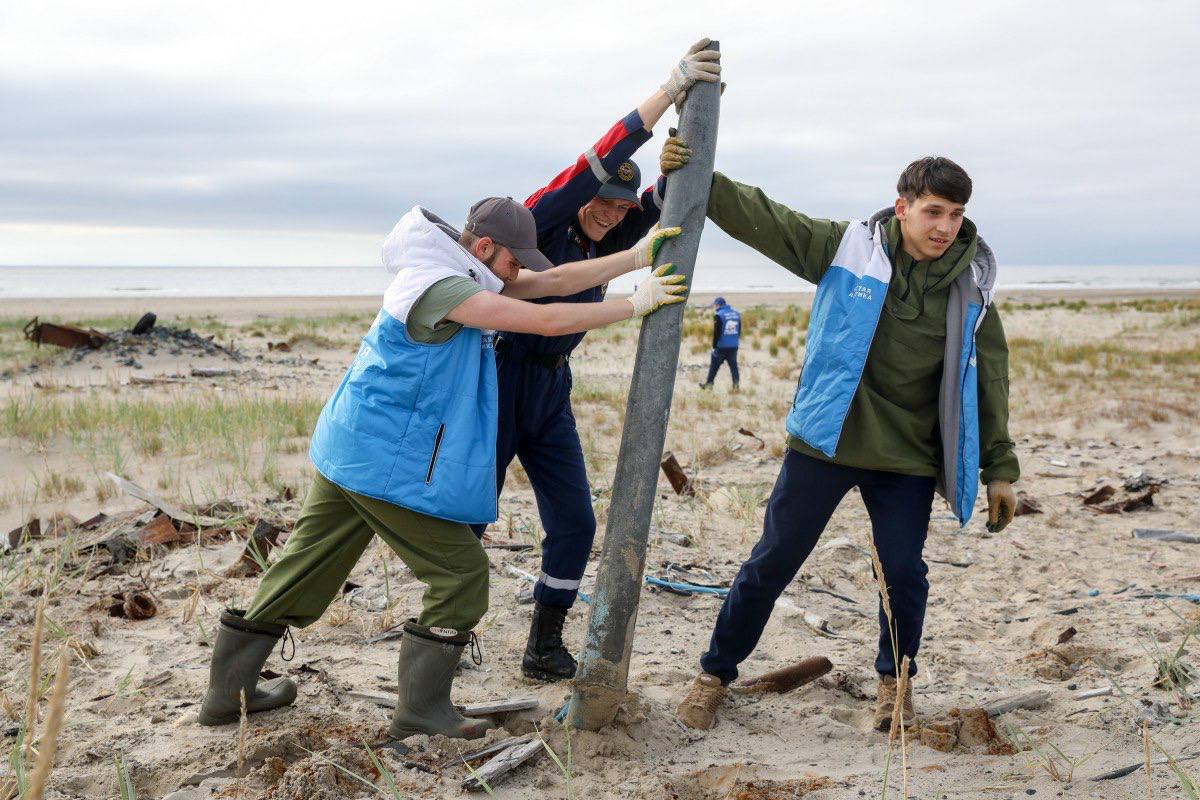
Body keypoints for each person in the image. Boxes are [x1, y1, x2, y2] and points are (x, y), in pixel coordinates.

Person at [197, 197, 686, 740]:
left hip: (351, 444)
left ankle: (227, 694)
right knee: (461, 575)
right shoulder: (445, 289)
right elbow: (544, 321)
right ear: (484, 248)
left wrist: (636, 256)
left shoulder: (459, 273)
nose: (518, 273)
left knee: (306, 565)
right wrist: (630, 307)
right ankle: (422, 711)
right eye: (514, 262)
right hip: (380, 457)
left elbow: (554, 282)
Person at [660, 147, 1020, 732]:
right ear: (901, 207)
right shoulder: (849, 250)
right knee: (773, 561)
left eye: (955, 214)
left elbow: (990, 376)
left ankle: (895, 687)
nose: (945, 227)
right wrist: (696, 172)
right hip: (825, 441)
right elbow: (765, 218)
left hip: (906, 456)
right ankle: (713, 676)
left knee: (903, 573)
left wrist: (1000, 468)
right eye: (933, 211)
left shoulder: (971, 285)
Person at [471, 39, 721, 683]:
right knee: (472, 513)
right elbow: (596, 161)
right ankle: (449, 628)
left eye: (620, 206)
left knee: (576, 522)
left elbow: (666, 210)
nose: (610, 212)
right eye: (602, 200)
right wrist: (667, 91)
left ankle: (544, 643)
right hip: (499, 377)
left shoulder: (621, 226)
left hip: (551, 391)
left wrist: (672, 168)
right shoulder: (543, 220)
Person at [699, 296, 741, 390]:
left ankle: (709, 385)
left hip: (721, 347)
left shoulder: (719, 315)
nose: (715, 307)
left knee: (714, 366)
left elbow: (716, 332)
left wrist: (714, 346)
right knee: (734, 367)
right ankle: (736, 386)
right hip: (733, 346)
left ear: (718, 305)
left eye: (715, 305)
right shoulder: (736, 314)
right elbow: (739, 330)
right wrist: (735, 341)